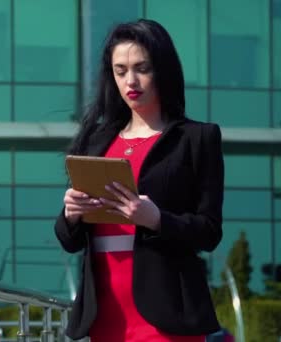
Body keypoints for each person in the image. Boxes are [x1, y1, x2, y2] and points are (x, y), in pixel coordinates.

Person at [54, 19, 224, 341]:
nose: (131, 80)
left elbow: (210, 232)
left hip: (167, 315)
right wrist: (70, 214)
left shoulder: (197, 138)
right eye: (120, 71)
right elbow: (69, 240)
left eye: (141, 68)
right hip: (105, 314)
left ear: (163, 69)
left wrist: (157, 219)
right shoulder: (96, 140)